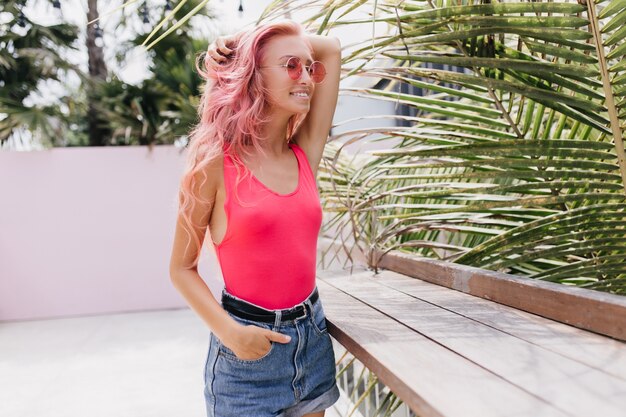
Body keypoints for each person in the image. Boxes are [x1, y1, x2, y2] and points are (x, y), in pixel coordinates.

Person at [169, 19, 342, 417]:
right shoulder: (213, 165)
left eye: (308, 67)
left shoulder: (303, 155)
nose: (306, 78)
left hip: (312, 341)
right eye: (290, 66)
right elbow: (181, 269)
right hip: (247, 357)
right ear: (254, 76)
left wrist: (241, 41)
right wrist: (230, 333)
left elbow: (330, 48)